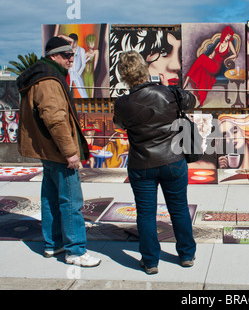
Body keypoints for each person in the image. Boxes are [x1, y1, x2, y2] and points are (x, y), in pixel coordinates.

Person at [16, 37, 101, 267]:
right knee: (71, 202)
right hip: (59, 152)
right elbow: (55, 119)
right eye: (65, 55)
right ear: (53, 56)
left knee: (51, 199)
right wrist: (70, 153)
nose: (71, 59)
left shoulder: (40, 75)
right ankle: (75, 251)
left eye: (72, 54)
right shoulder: (49, 80)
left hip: (48, 151)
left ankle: (53, 244)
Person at [114, 50, 197, 275]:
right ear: (144, 68)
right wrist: (172, 89)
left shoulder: (122, 103)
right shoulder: (168, 93)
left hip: (141, 164)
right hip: (173, 161)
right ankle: (187, 255)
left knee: (146, 213)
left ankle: (150, 261)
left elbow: (120, 125)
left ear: (124, 75)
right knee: (179, 209)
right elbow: (192, 101)